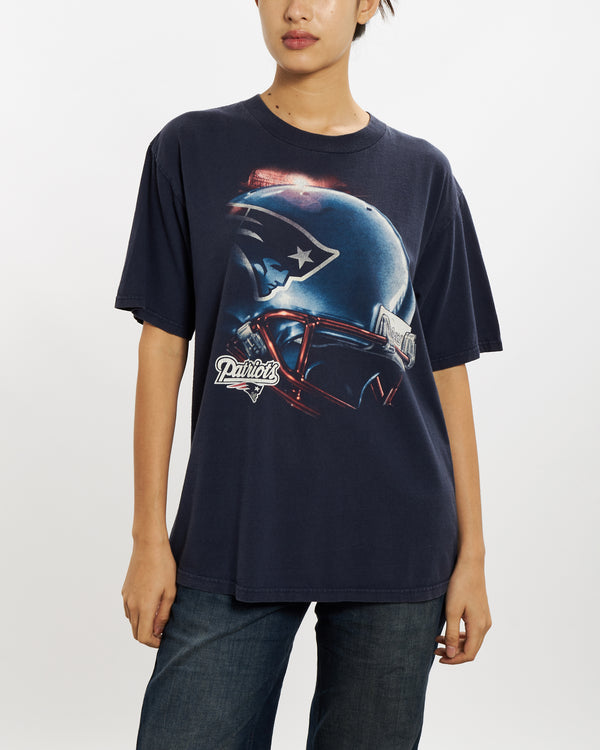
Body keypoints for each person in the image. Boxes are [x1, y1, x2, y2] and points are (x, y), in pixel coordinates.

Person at [115, 1, 503, 747]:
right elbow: (163, 347)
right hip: (234, 527)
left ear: (365, 5)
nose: (296, 8)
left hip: (399, 541)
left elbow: (447, 374)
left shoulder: (422, 173)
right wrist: (148, 539)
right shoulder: (188, 148)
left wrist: (473, 557)